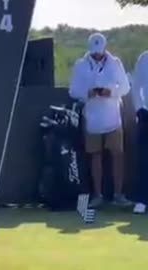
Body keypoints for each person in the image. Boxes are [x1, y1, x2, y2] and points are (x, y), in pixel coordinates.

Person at [68, 32, 132, 209]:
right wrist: (87, 93)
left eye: (100, 51)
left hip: (113, 116)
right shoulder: (80, 65)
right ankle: (98, 195)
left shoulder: (116, 63)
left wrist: (110, 92)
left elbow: (125, 87)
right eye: (94, 52)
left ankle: (119, 195)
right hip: (92, 117)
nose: (97, 55)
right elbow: (73, 91)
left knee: (117, 156)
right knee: (95, 156)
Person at [130, 51, 148, 214]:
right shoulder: (144, 58)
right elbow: (136, 87)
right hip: (147, 115)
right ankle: (143, 199)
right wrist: (139, 109)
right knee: (144, 159)